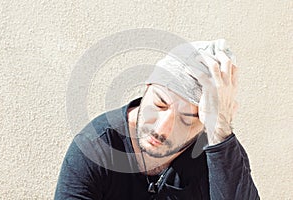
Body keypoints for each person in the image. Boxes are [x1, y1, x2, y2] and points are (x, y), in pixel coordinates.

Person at [55, 39, 260, 199]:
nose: (162, 129)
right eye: (160, 103)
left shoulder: (218, 152)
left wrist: (220, 127)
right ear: (148, 87)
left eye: (186, 119)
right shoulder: (96, 146)